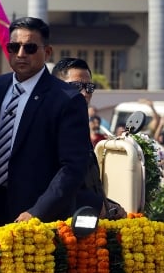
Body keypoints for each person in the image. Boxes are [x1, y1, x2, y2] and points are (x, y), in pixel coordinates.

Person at [0, 17, 91, 226]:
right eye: (14, 47)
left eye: (30, 48)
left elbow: (72, 168)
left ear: (48, 52)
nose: (21, 54)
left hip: (34, 215)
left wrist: (38, 211)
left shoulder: (66, 99)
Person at [52, 57, 126, 219]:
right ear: (56, 86)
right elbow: (58, 182)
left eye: (89, 87)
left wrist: (108, 204)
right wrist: (98, 205)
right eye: (77, 86)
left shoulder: (79, 123)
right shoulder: (49, 124)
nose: (85, 93)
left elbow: (87, 184)